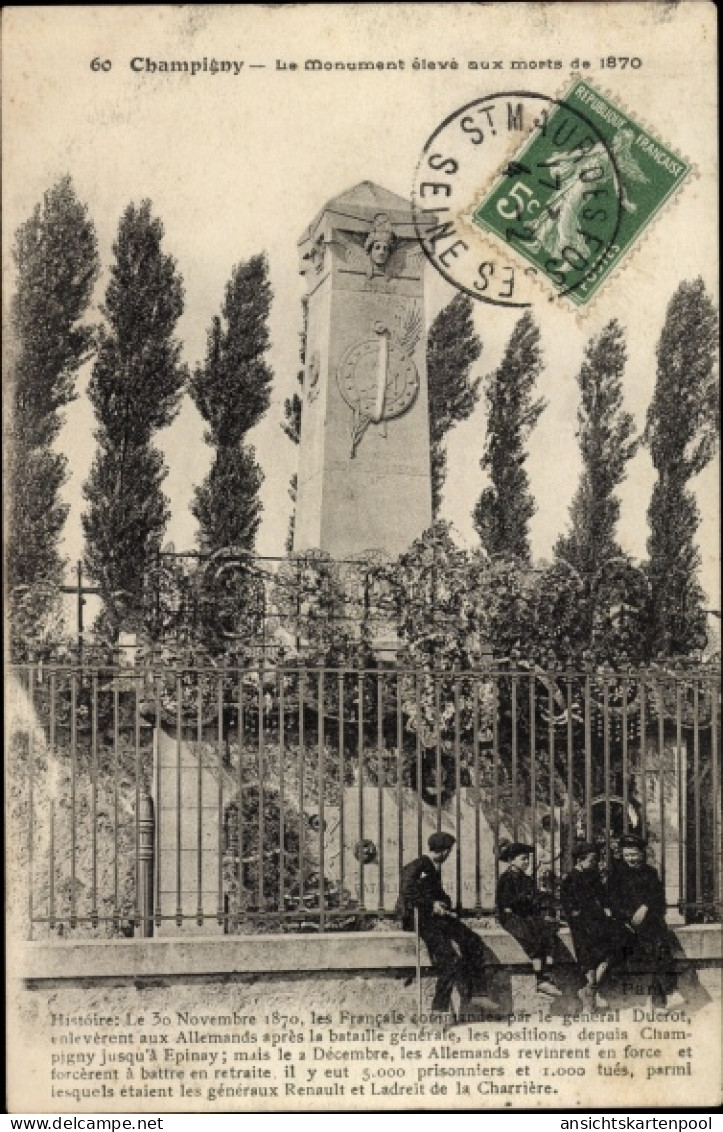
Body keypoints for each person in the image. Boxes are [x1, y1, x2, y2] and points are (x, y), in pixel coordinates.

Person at [398, 832, 500, 1016]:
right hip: (422, 920)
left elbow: (437, 893)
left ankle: (478, 992)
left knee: (472, 941)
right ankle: (438, 1010)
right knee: (449, 960)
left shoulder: (433, 867)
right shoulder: (419, 865)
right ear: (445, 851)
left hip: (438, 918)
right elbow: (406, 890)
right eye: (449, 851)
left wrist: (444, 903)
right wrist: (431, 905)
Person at [608, 833, 685, 1009]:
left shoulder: (650, 873)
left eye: (634, 855)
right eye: (627, 855)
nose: (630, 859)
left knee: (658, 947)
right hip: (624, 923)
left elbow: (659, 901)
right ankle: (666, 994)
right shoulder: (616, 875)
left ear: (641, 854)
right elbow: (613, 902)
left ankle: (661, 999)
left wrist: (645, 908)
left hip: (649, 921)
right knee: (649, 947)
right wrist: (629, 916)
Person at [560, 841, 631, 1010]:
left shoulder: (594, 877)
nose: (595, 863)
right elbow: (569, 907)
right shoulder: (570, 879)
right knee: (589, 956)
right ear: (580, 860)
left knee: (619, 943)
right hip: (582, 925)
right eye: (592, 860)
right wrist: (583, 915)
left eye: (596, 860)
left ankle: (590, 990)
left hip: (598, 921)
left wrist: (606, 910)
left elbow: (604, 899)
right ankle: (591, 993)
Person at [496, 840, 561, 997]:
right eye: (523, 859)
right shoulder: (506, 879)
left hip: (527, 914)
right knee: (529, 935)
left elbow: (535, 897)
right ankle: (540, 979)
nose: (526, 862)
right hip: (512, 916)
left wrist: (547, 898)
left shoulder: (526, 879)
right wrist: (525, 898)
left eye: (527, 859)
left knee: (548, 929)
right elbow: (506, 902)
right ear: (511, 861)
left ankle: (548, 975)